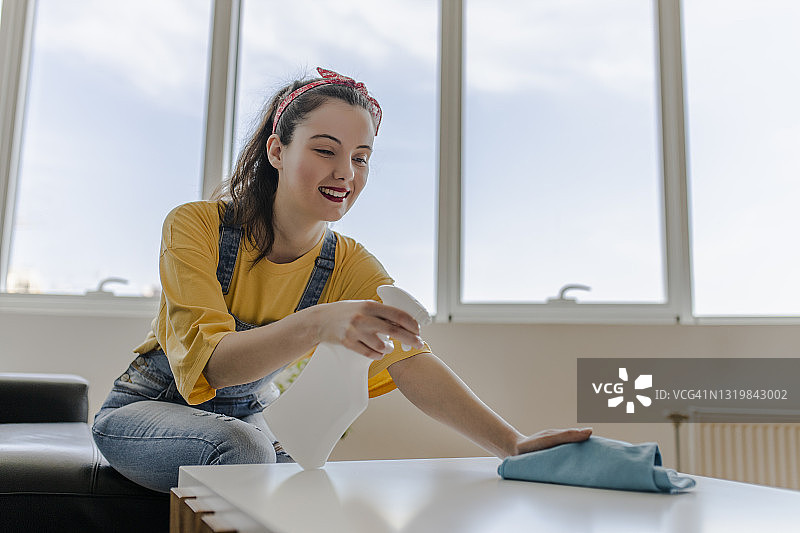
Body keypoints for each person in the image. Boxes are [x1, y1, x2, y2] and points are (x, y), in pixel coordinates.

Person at [91, 67, 591, 493]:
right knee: (241, 447)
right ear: (277, 151)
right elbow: (215, 368)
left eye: (360, 157)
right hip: (146, 410)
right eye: (325, 150)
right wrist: (319, 322)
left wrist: (515, 445)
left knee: (308, 485)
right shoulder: (195, 225)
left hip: (247, 419)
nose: (345, 173)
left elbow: (411, 361)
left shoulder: (348, 264)